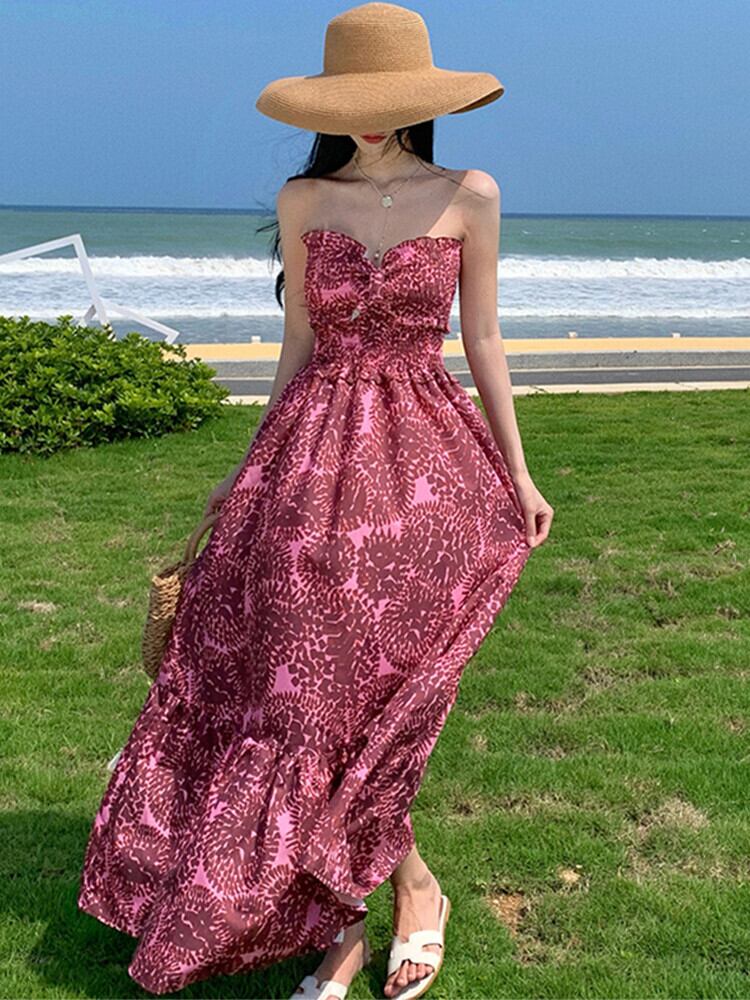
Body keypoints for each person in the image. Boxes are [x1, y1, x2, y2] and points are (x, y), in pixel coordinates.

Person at [77, 3, 553, 998]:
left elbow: (483, 339)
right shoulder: (304, 199)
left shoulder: (470, 194)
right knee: (302, 692)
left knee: (367, 695)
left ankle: (392, 897)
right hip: (307, 461)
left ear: (420, 102)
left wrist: (518, 471)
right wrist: (248, 464)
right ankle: (368, 912)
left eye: (387, 100)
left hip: (423, 468)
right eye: (350, 103)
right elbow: (298, 343)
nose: (367, 120)